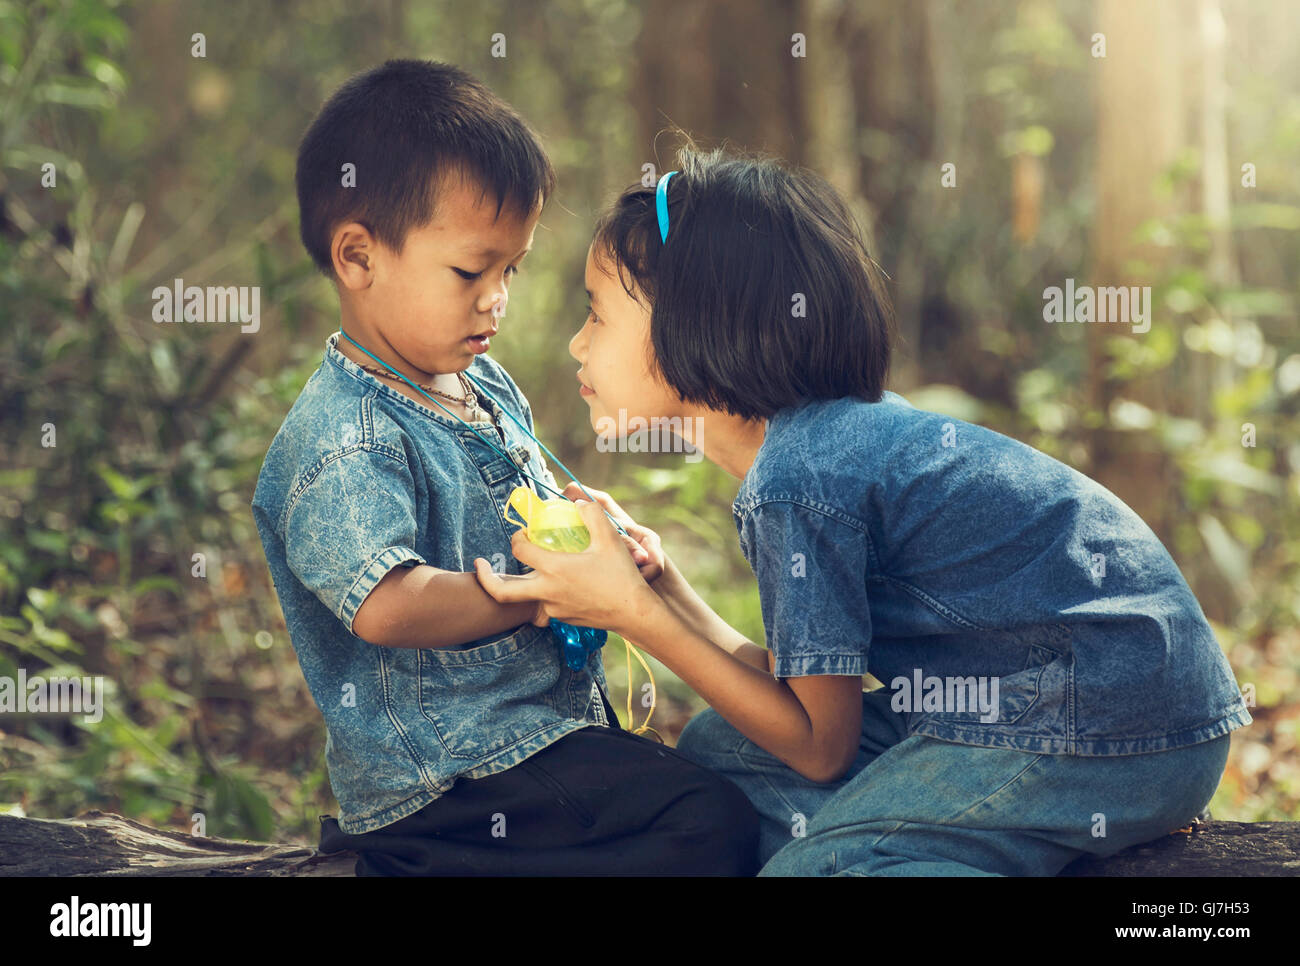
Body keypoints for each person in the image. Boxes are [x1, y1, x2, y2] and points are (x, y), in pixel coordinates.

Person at [473, 143, 1253, 876]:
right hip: (1108, 697)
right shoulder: (824, 445)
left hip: (1108, 724)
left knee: (816, 869)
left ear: (699, 324)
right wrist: (661, 589)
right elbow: (806, 692)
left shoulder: (802, 478)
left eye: (599, 315)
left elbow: (820, 749)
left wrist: (631, 617)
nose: (578, 345)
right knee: (723, 748)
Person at [251, 61, 759, 876]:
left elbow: (523, 500)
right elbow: (385, 604)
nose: (496, 299)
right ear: (357, 257)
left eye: (511, 270)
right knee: (706, 823)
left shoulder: (479, 382)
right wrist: (534, 596)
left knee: (709, 797)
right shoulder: (344, 435)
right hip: (452, 779)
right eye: (469, 271)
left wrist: (594, 537)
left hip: (534, 740)